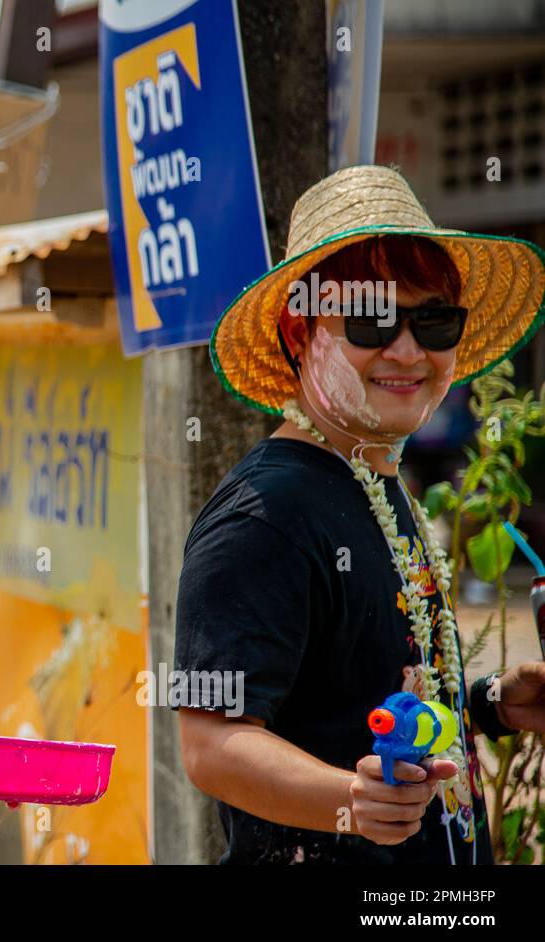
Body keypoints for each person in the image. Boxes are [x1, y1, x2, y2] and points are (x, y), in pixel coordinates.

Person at [175, 165, 545, 863]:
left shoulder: (374, 477)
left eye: (433, 321)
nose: (407, 350)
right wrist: (352, 801)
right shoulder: (265, 515)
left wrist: (492, 702)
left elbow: (353, 700)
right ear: (300, 331)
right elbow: (209, 744)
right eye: (372, 319)